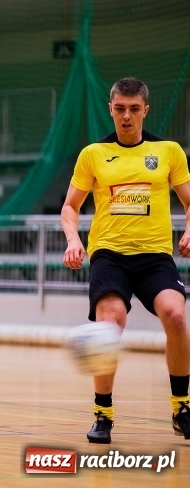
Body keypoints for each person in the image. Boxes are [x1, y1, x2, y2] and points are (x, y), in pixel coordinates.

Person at [61, 77, 190, 444]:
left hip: (154, 256)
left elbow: (189, 201)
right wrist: (73, 240)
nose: (127, 116)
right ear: (111, 109)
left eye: (134, 109)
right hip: (110, 255)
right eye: (120, 109)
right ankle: (103, 413)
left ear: (145, 110)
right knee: (111, 324)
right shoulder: (93, 155)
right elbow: (70, 206)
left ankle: (182, 407)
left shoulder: (168, 151)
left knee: (176, 314)